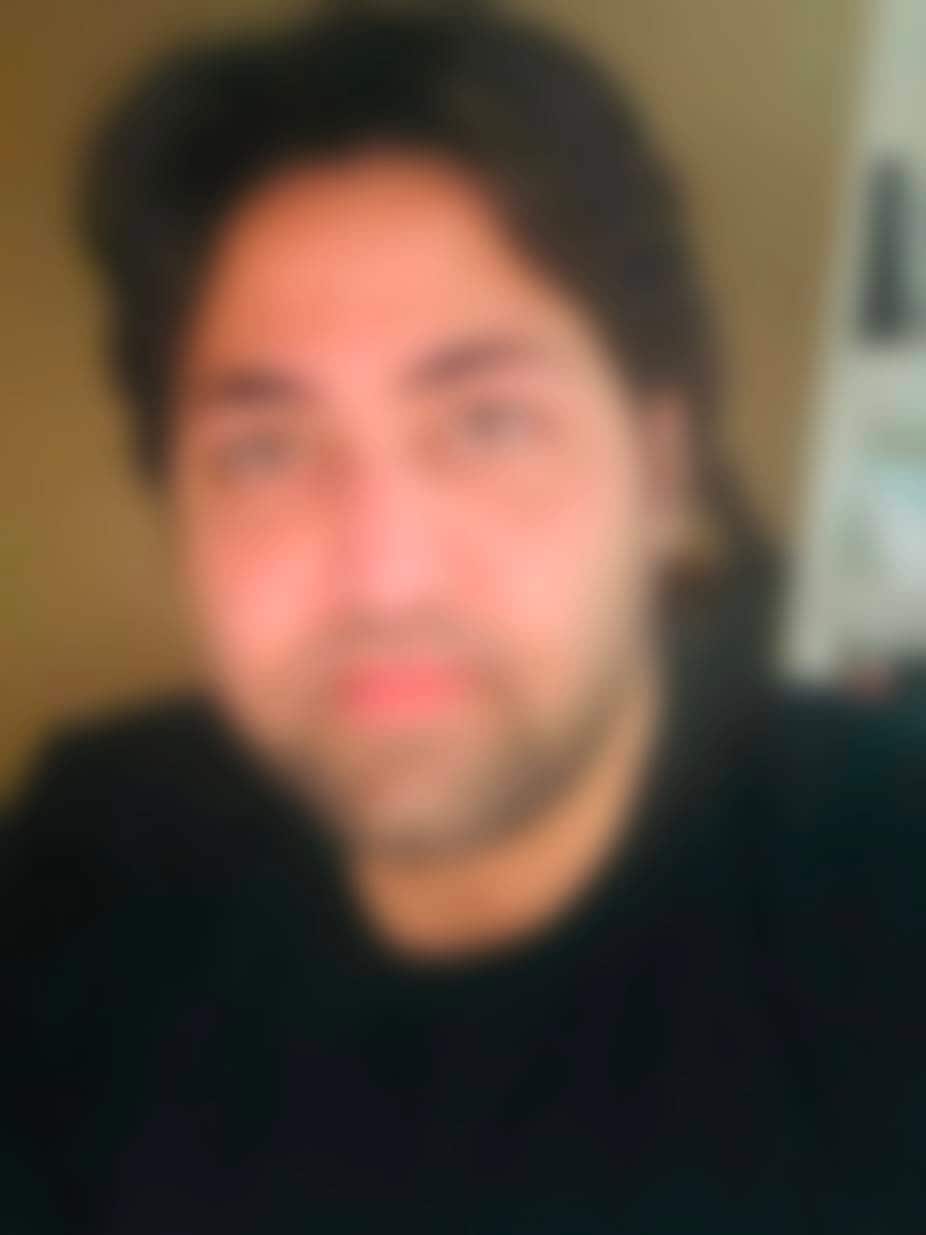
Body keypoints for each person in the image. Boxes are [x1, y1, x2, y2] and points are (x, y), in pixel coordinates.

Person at [1, 3, 923, 1232]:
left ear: (659, 477)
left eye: (488, 425)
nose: (384, 578)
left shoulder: (883, 892)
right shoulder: (88, 846)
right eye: (264, 451)